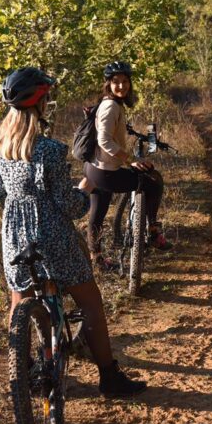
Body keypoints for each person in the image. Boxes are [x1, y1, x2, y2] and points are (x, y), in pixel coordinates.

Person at [0, 67, 146, 397]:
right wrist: (84, 189)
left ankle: (27, 370)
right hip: (52, 233)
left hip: (14, 233)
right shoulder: (50, 150)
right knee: (89, 301)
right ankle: (109, 378)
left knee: (20, 300)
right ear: (40, 105)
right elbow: (71, 207)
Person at [83, 61, 170, 271]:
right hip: (106, 172)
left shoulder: (107, 103)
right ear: (108, 84)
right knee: (153, 179)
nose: (121, 86)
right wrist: (129, 158)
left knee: (97, 212)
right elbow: (104, 140)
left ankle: (96, 258)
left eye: (125, 82)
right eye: (116, 82)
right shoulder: (111, 106)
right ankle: (152, 231)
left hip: (93, 168)